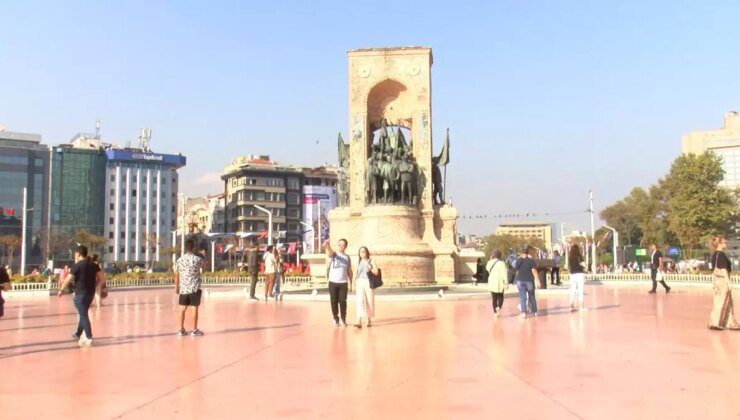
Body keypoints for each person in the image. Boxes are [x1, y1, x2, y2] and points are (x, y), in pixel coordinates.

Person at [57, 245, 104, 346]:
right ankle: (78, 333)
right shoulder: (94, 265)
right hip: (90, 294)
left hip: (80, 294)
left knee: (83, 315)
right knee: (83, 313)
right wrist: (95, 286)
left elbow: (68, 279)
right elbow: (102, 278)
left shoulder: (77, 265)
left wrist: (61, 289)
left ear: (78, 253)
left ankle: (89, 337)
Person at [708, 236, 739, 330]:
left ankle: (730, 322)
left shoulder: (715, 255)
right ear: (719, 244)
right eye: (725, 242)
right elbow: (723, 269)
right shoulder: (720, 255)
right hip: (722, 280)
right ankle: (716, 322)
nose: (726, 244)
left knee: (728, 301)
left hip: (718, 280)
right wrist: (728, 282)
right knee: (721, 301)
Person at [174, 239, 204, 336]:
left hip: (183, 288)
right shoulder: (197, 259)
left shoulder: (180, 260)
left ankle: (181, 329)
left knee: (182, 308)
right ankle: (194, 330)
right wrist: (202, 255)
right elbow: (203, 267)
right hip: (194, 287)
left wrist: (176, 286)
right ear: (194, 248)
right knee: (194, 308)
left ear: (185, 248)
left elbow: (176, 274)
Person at [324, 238, 353, 327]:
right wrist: (327, 245)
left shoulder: (347, 257)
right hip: (333, 282)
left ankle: (343, 318)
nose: (341, 246)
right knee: (333, 301)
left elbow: (349, 270)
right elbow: (329, 252)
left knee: (342, 301)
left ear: (345, 247)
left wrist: (351, 283)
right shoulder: (334, 255)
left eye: (343, 245)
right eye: (339, 244)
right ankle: (335, 318)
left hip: (343, 283)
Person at [354, 246, 378, 328]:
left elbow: (376, 272)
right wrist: (353, 283)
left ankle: (368, 319)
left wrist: (369, 266)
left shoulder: (371, 261)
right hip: (359, 281)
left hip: (368, 281)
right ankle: (359, 320)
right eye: (360, 251)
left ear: (367, 252)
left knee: (369, 300)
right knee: (359, 300)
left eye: (364, 251)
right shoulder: (358, 262)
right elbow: (355, 273)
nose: (362, 253)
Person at [514, 246, 541, 318]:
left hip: (520, 281)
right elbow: (534, 271)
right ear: (527, 253)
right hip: (529, 281)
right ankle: (534, 312)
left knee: (522, 297)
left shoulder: (519, 260)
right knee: (532, 296)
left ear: (521, 253)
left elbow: (516, 269)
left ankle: (524, 313)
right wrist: (537, 280)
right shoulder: (531, 261)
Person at [486, 249, 508, 318]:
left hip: (492, 282)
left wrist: (490, 259)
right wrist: (506, 282)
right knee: (501, 297)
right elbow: (504, 273)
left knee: (494, 298)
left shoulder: (489, 262)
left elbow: (487, 269)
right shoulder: (502, 263)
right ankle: (498, 307)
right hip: (500, 282)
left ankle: (495, 313)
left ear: (493, 255)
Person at [568, 244, 586, 311]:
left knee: (573, 290)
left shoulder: (570, 257)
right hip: (579, 274)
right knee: (580, 290)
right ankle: (581, 306)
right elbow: (584, 265)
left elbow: (569, 266)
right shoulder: (579, 256)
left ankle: (571, 306)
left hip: (572, 274)